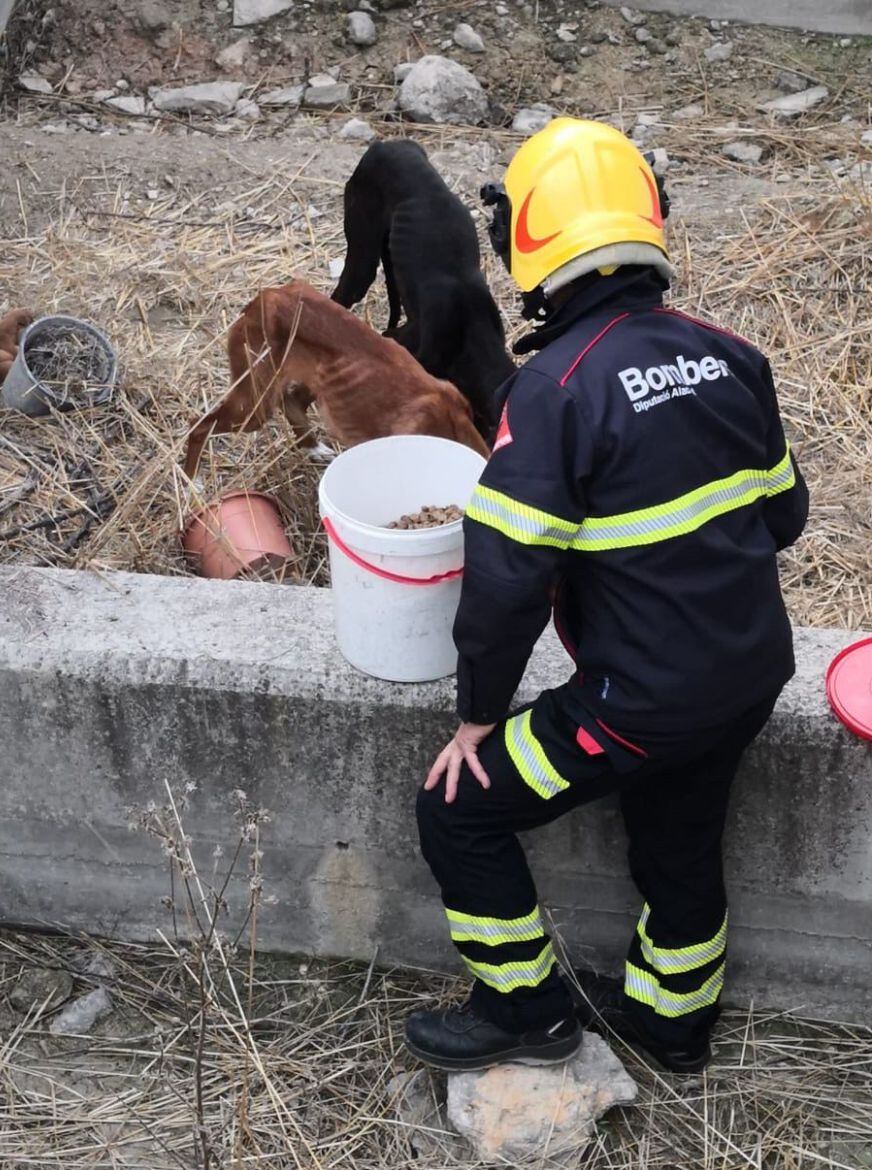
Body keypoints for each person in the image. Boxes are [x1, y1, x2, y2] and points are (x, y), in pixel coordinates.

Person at [405, 117, 809, 1075]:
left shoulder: (555, 391)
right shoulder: (731, 354)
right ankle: (673, 1025)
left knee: (457, 810)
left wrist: (475, 718)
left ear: (527, 244)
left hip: (636, 707)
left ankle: (526, 1011)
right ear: (649, 219)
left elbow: (505, 579)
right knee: (679, 841)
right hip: (749, 677)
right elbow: (784, 517)